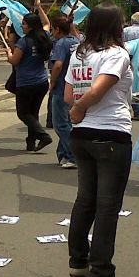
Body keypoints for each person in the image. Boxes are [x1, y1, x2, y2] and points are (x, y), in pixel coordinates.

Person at [65, 2, 134, 277]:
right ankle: (102, 274)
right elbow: (99, 89)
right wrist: (81, 108)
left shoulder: (78, 53)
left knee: (85, 201)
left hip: (82, 136)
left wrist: (78, 109)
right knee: (107, 208)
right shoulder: (116, 54)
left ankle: (78, 262)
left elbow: (69, 93)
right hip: (111, 133)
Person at [5, 12, 53, 152]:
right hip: (42, 81)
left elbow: (14, 60)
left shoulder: (24, 41)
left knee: (23, 113)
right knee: (33, 113)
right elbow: (47, 23)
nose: (22, 26)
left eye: (24, 23)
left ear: (31, 26)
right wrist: (39, 7)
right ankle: (31, 142)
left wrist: (9, 52)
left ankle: (43, 136)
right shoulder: (45, 37)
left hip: (26, 83)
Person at [49, 14, 80, 169]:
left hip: (62, 86)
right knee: (69, 123)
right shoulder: (76, 41)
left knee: (61, 124)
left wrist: (52, 81)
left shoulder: (61, 44)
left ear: (57, 29)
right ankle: (64, 154)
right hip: (76, 86)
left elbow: (58, 65)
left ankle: (74, 155)